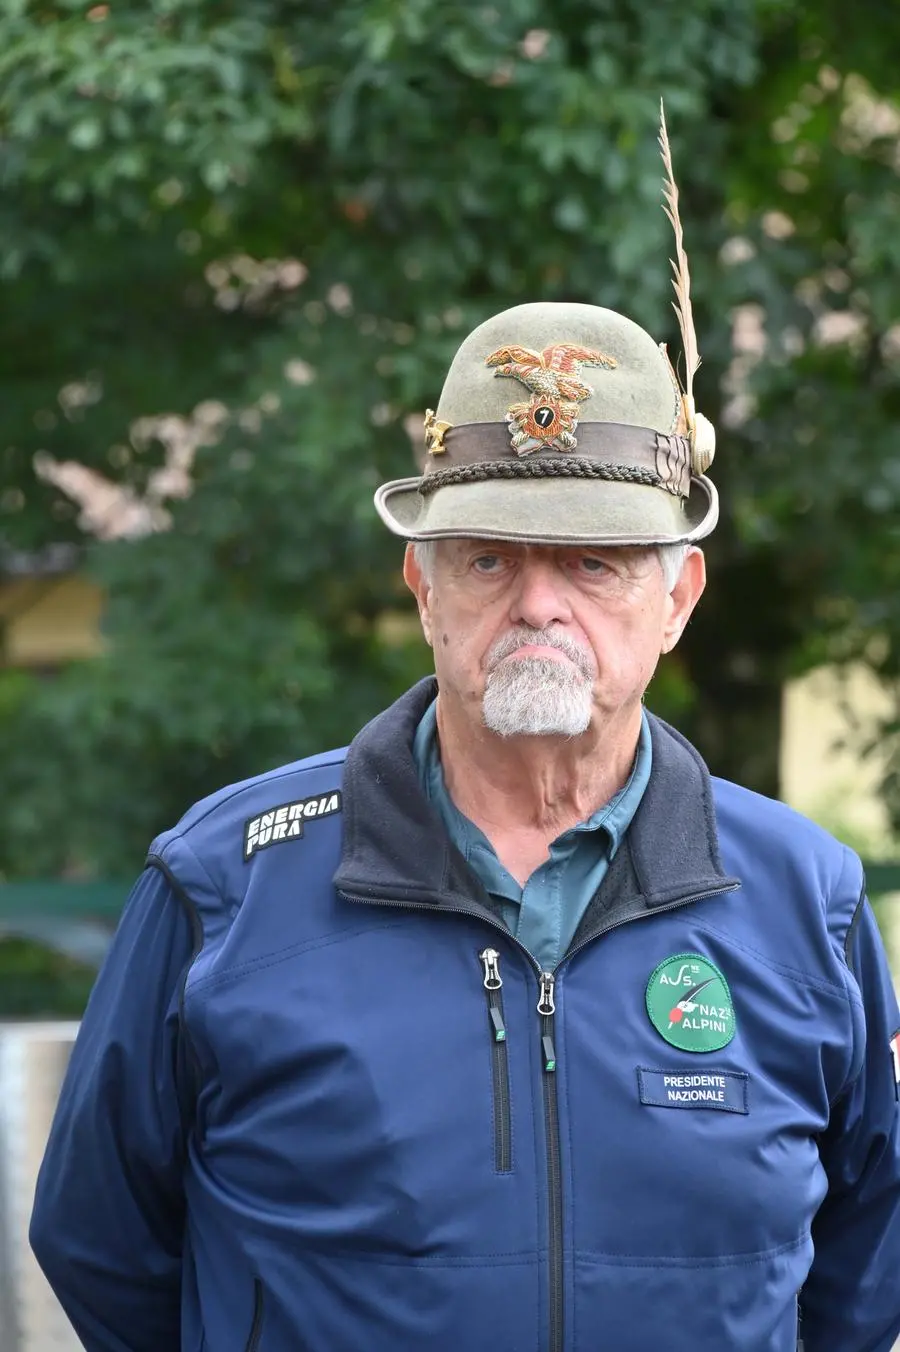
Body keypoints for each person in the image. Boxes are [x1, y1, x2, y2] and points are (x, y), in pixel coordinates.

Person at [31, 123, 900, 1352]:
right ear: (423, 588)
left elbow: (863, 1272)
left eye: (594, 563)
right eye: (488, 557)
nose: (537, 604)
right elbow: (101, 1243)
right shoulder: (225, 882)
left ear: (678, 599)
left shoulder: (802, 898)